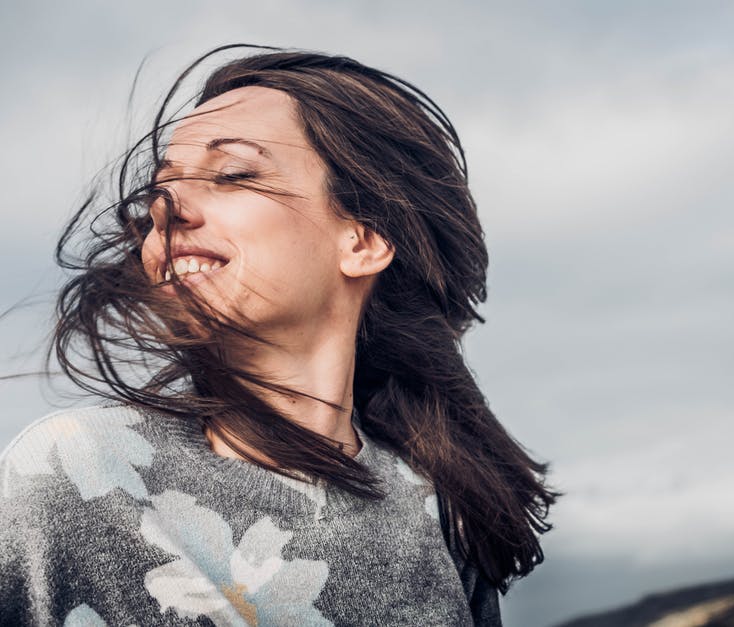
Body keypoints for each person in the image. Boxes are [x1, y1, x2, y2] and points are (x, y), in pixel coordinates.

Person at [0, 45, 558, 625]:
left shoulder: (439, 513)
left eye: (234, 174)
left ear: (364, 241)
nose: (166, 210)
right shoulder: (76, 471)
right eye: (159, 189)